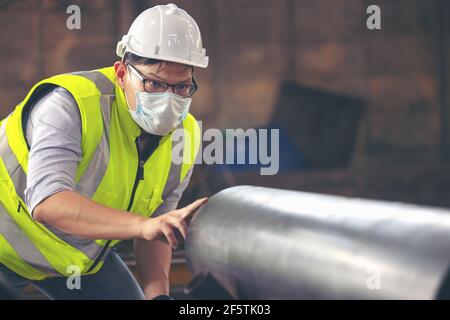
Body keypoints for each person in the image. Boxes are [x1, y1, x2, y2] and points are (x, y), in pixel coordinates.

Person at [0, 3, 208, 300]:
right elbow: (48, 201)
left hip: (77, 257)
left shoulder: (185, 135)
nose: (168, 99)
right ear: (122, 73)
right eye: (154, 83)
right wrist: (143, 226)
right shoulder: (72, 106)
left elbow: (158, 228)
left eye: (182, 88)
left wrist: (158, 296)